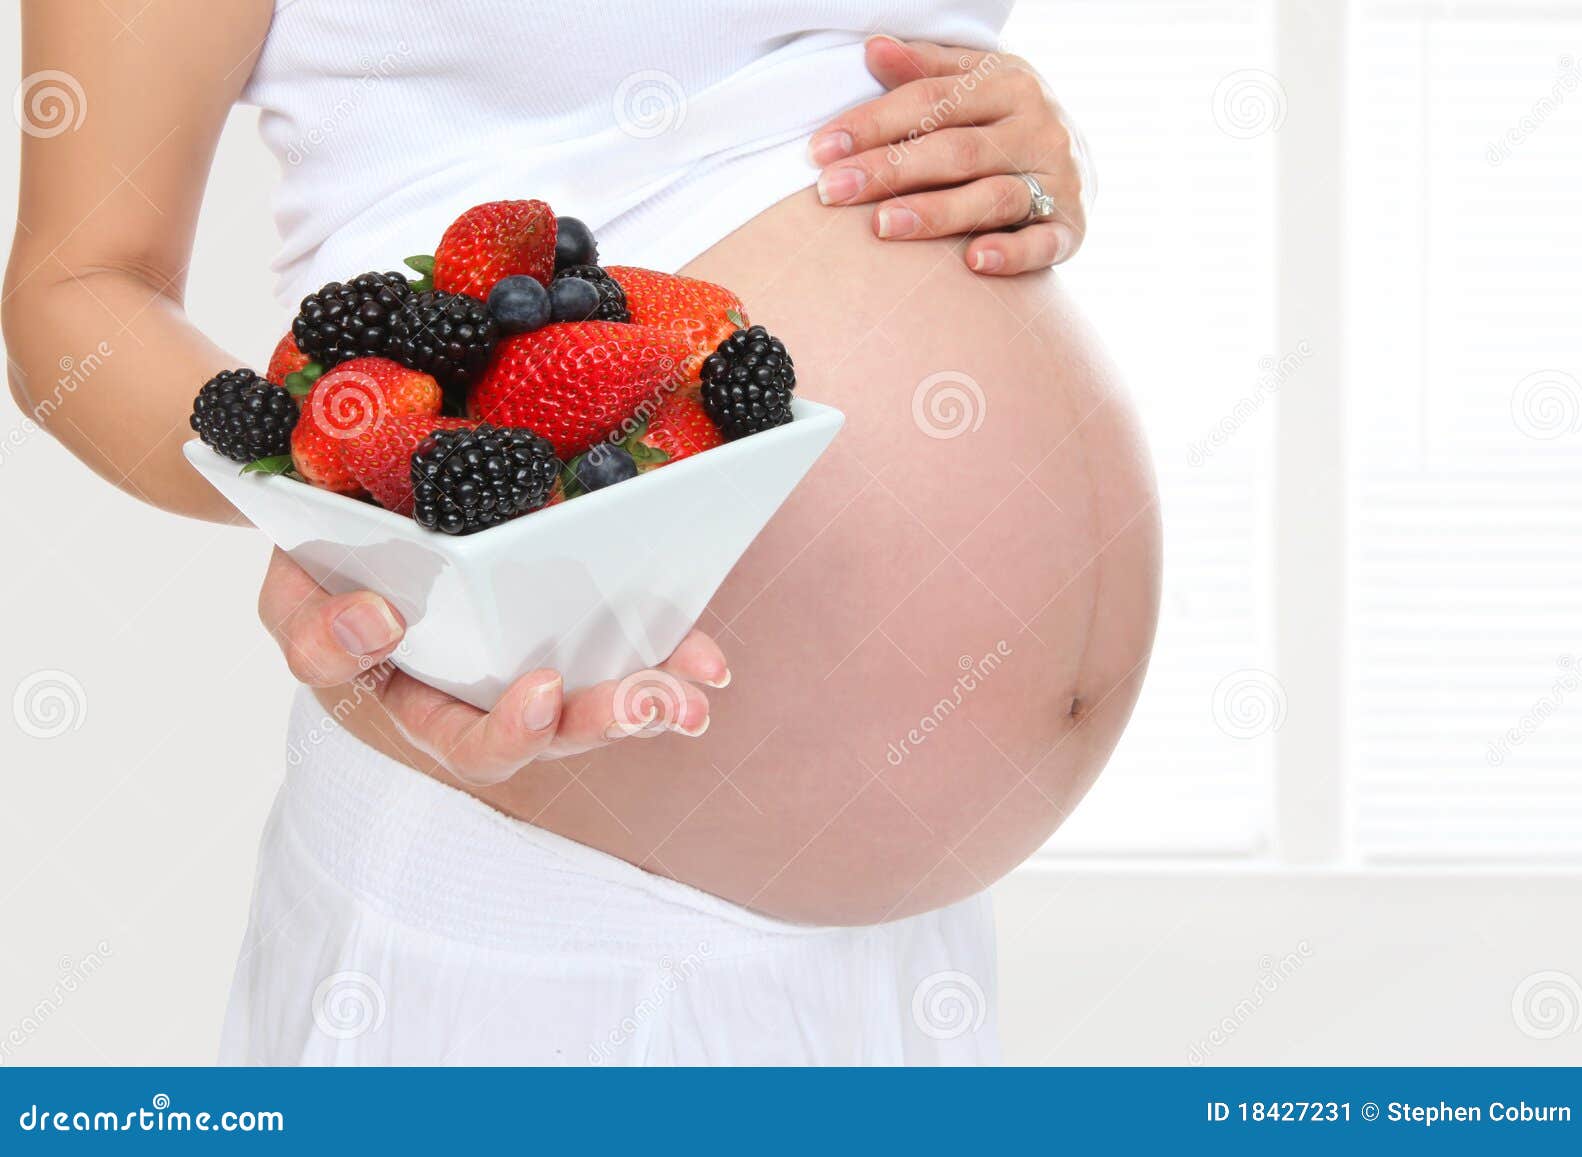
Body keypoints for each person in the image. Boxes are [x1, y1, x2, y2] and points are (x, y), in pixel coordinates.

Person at [5, 0, 1159, 1064]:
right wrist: (331, 494)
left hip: (907, 948)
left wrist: (1040, 162)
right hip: (531, 907)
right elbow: (77, 287)